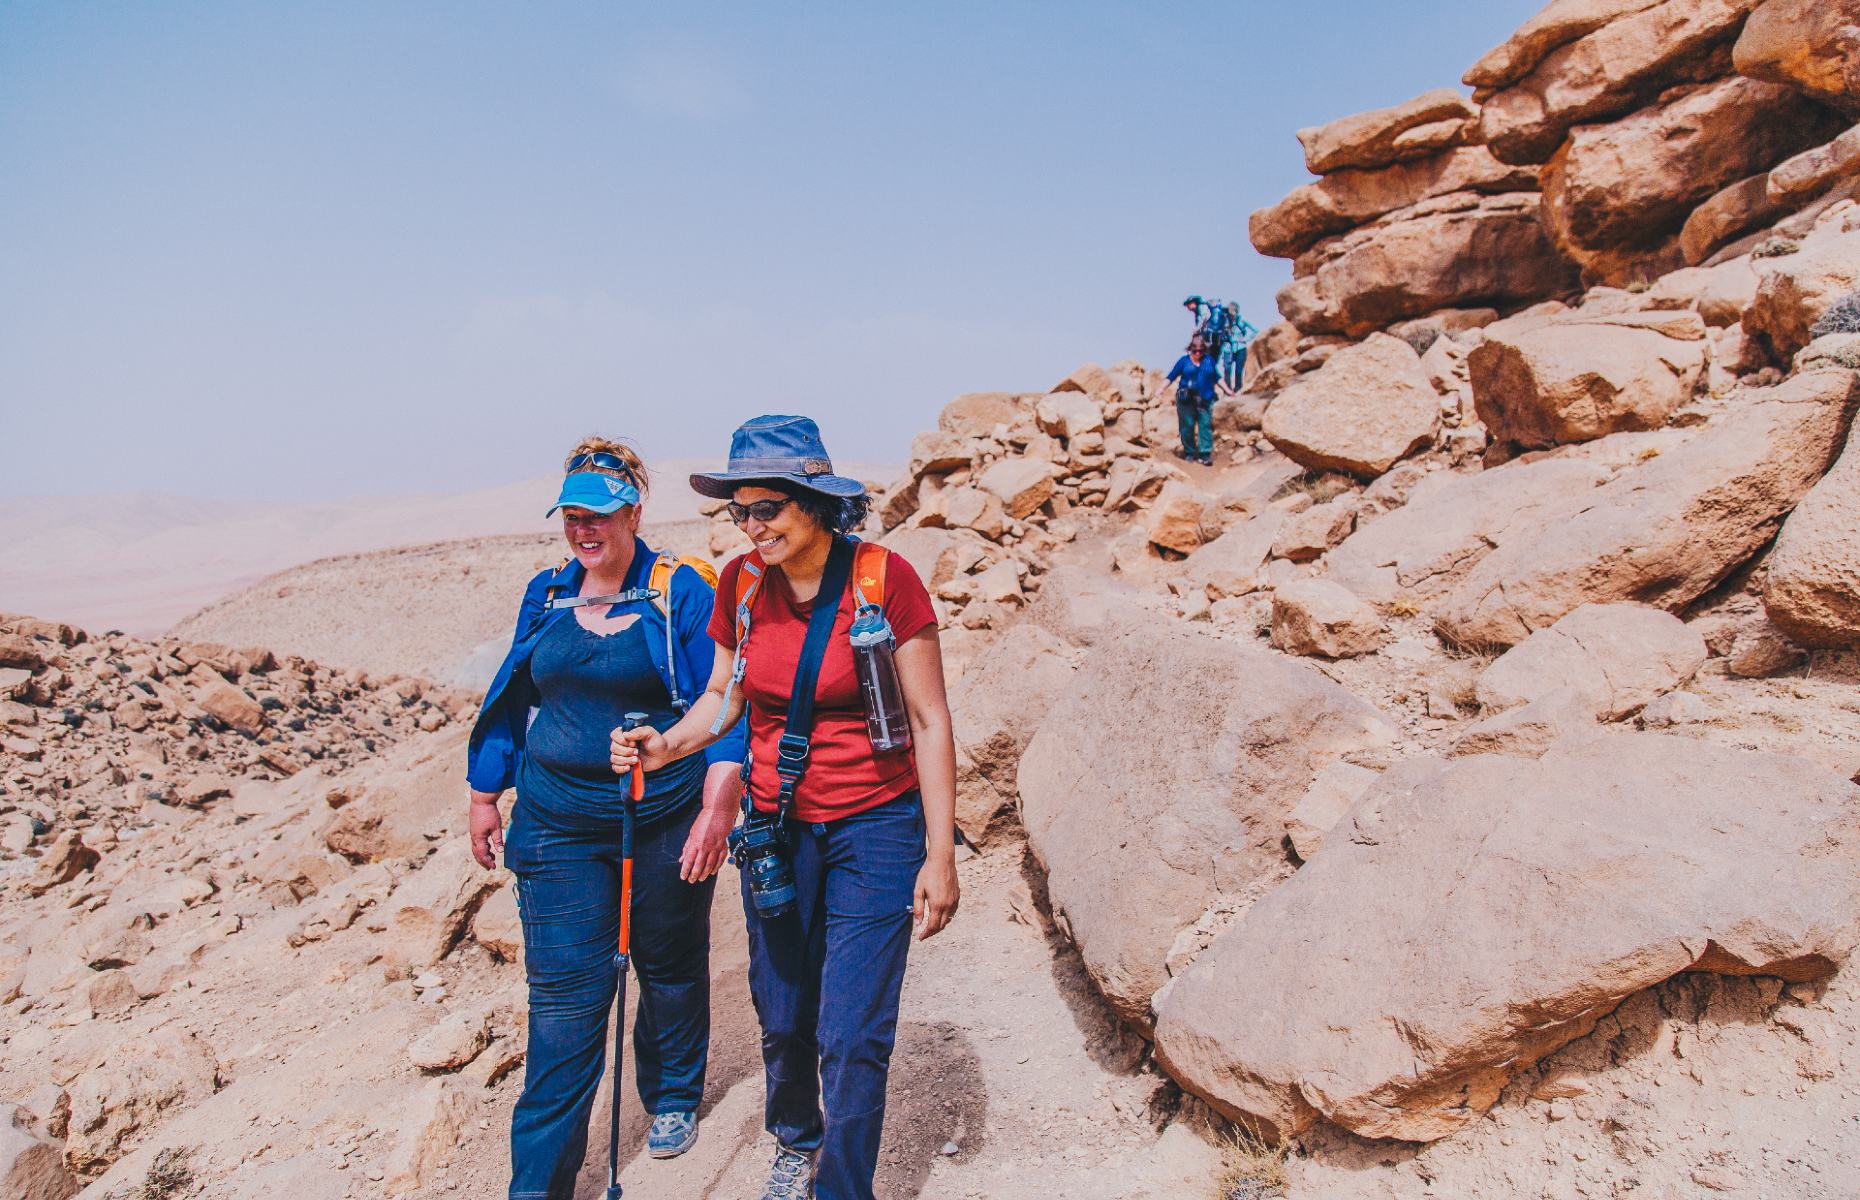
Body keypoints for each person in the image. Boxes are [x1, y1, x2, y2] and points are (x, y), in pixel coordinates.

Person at [610, 414, 960, 1200]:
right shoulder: (738, 586)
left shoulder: (883, 579)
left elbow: (932, 719)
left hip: (876, 826)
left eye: (767, 507)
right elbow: (722, 697)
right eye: (741, 510)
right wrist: (666, 745)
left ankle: (842, 1187)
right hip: (775, 829)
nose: (751, 525)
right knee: (785, 1010)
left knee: (853, 1031)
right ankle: (795, 1139)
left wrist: (940, 852)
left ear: (817, 504)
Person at [466, 437, 747, 1199]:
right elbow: (514, 694)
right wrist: (485, 790)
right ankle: (540, 1188)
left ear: (633, 511)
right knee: (563, 1002)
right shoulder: (548, 593)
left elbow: (723, 701)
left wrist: (718, 806)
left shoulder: (681, 589)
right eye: (572, 516)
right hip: (556, 824)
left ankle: (676, 1092)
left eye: (599, 514)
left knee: (668, 960)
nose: (584, 529)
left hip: (659, 815)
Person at [1158, 335, 1230, 465]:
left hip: (1205, 398)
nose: (1197, 353)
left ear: (1204, 350)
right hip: (1186, 399)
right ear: (1190, 349)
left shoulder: (1209, 361)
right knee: (1187, 426)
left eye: (1200, 351)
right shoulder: (1184, 361)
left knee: (1205, 425)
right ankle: (1189, 452)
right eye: (1194, 350)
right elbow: (1171, 376)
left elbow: (1217, 377)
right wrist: (1160, 389)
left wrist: (1228, 391)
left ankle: (1205, 454)